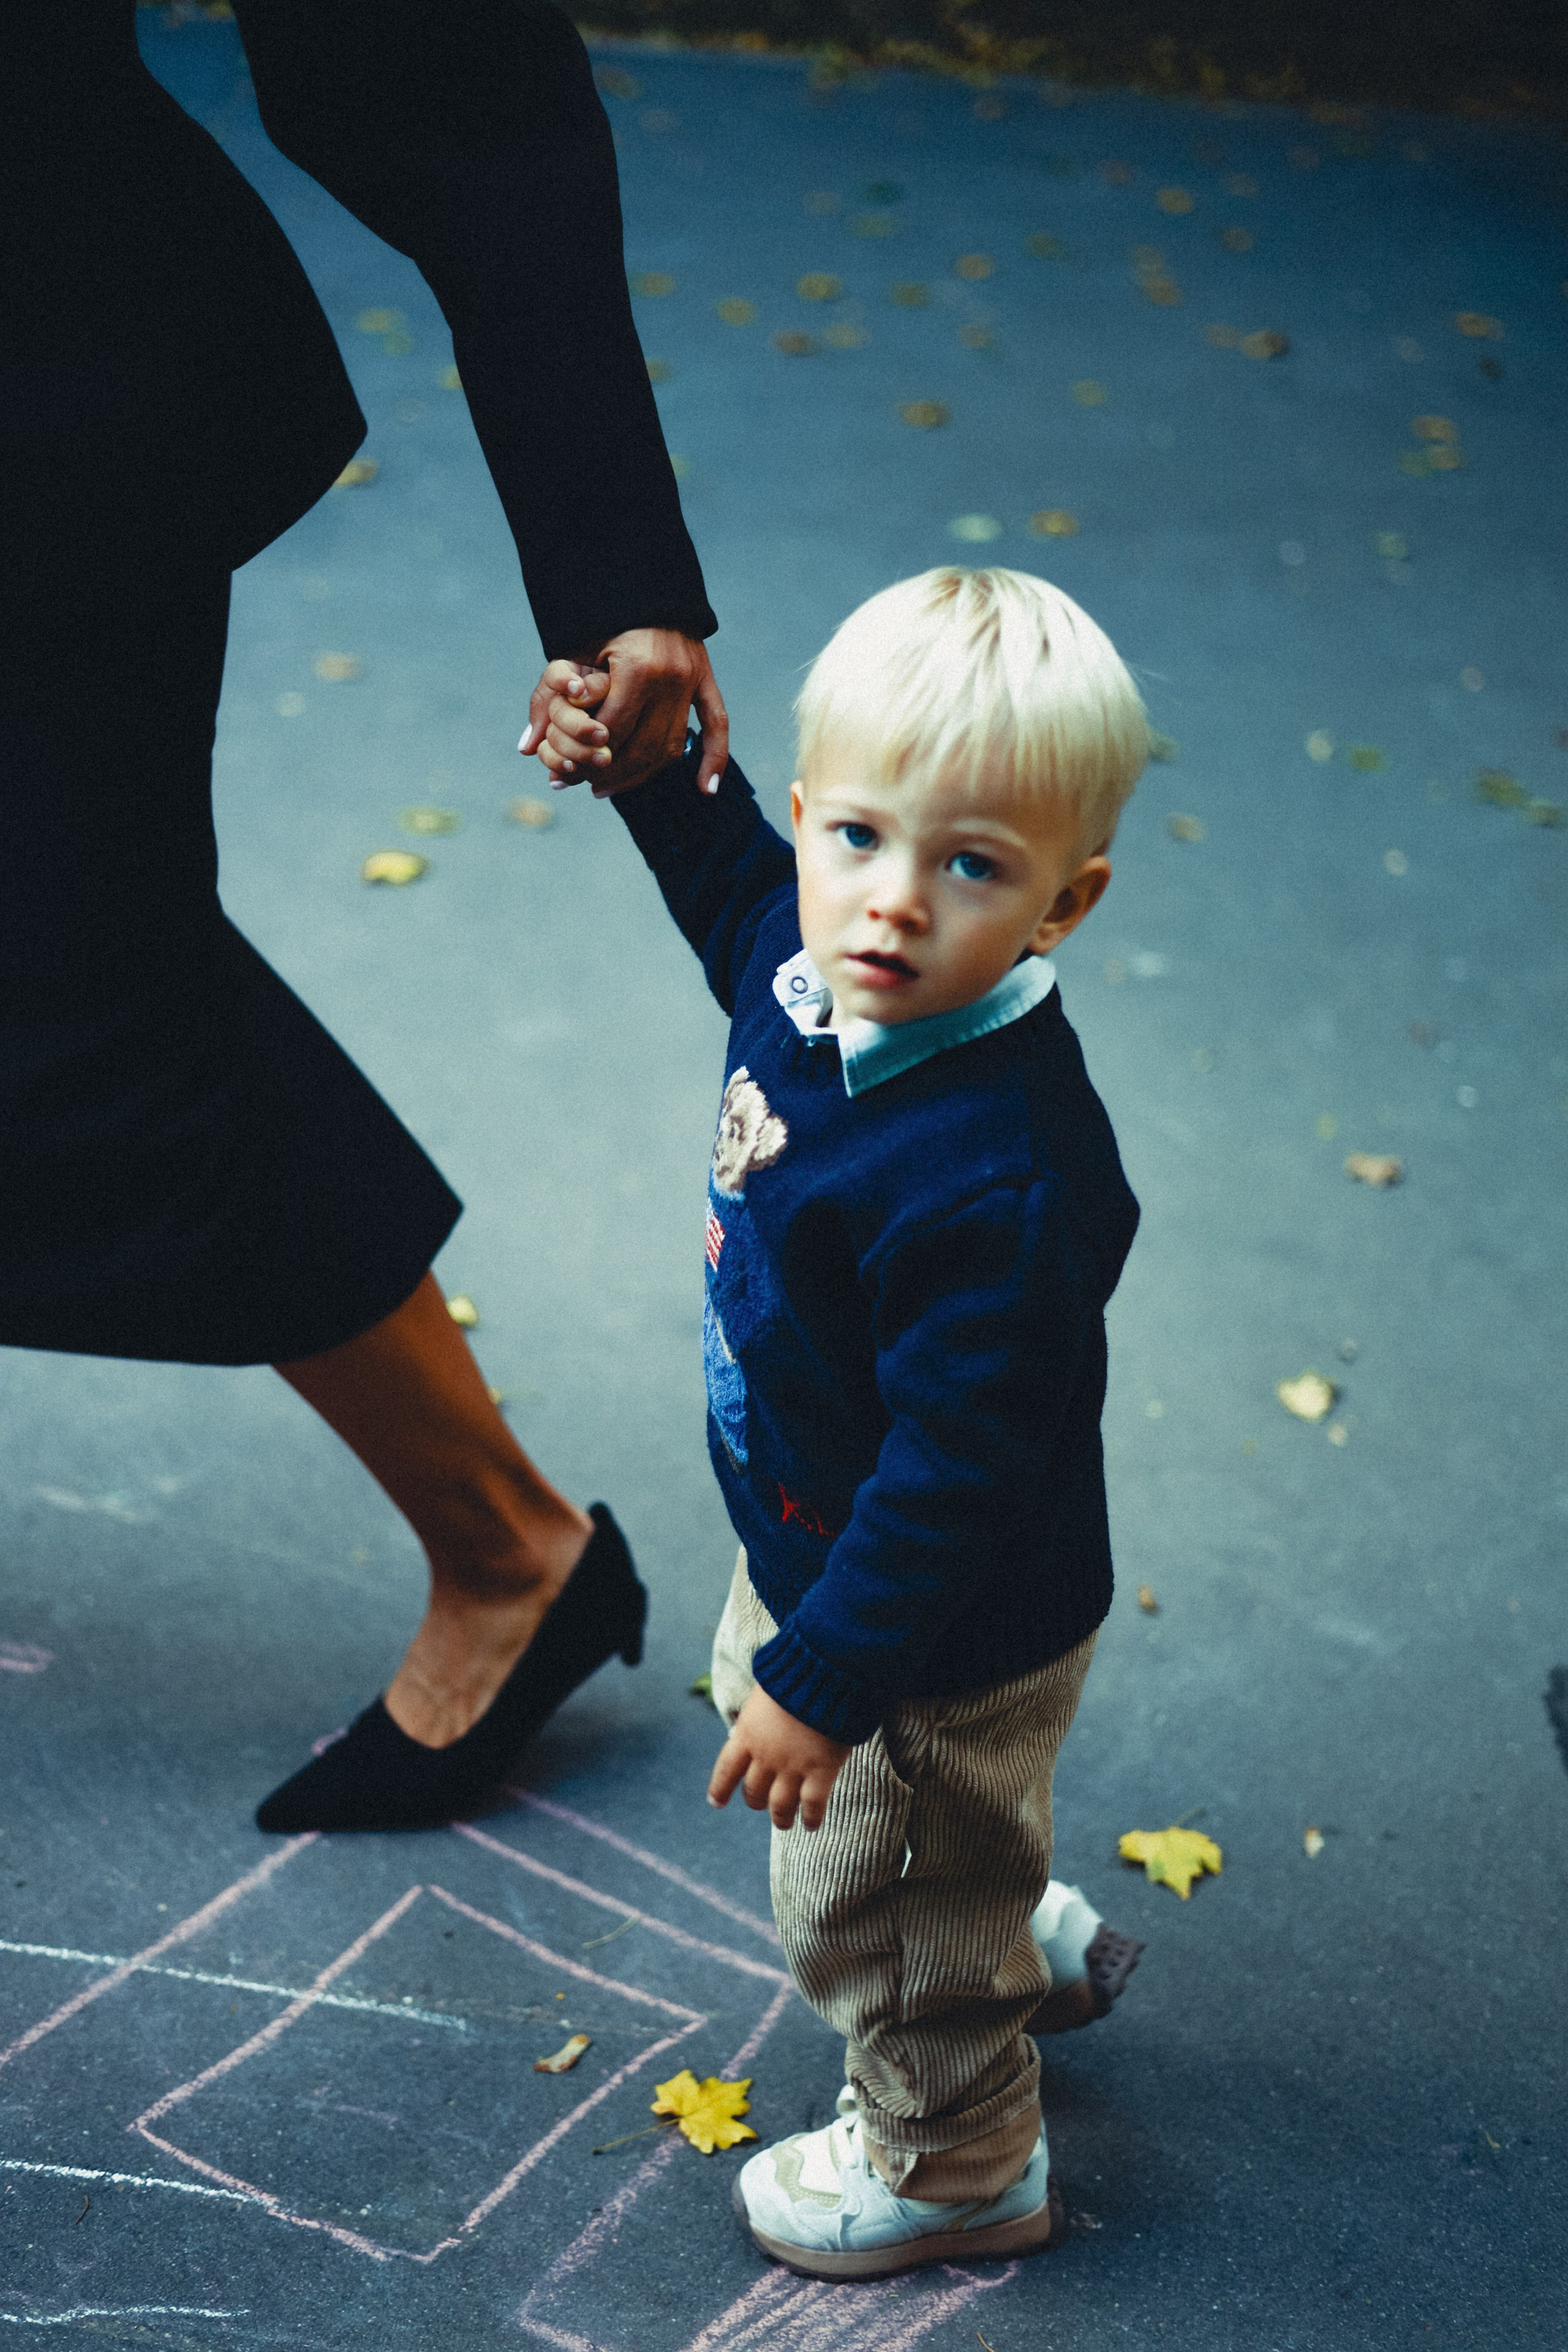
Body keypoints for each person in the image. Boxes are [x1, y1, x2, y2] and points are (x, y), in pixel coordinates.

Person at [0, 0, 725, 1835]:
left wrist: (614, 556)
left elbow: (440, 74)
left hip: (44, 393)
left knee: (79, 1003)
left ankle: (510, 1554)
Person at [531, 567, 1147, 2278]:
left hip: (931, 1624)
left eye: (971, 866)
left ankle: (961, 2150)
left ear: (1062, 902)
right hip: (815, 1534)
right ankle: (990, 1908)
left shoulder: (1003, 1183)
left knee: (863, 1886)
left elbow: (958, 1482)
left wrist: (829, 1682)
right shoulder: (811, 968)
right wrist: (646, 763)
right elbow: (723, 878)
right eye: (859, 838)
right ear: (805, 819)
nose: (887, 906)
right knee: (867, 1783)